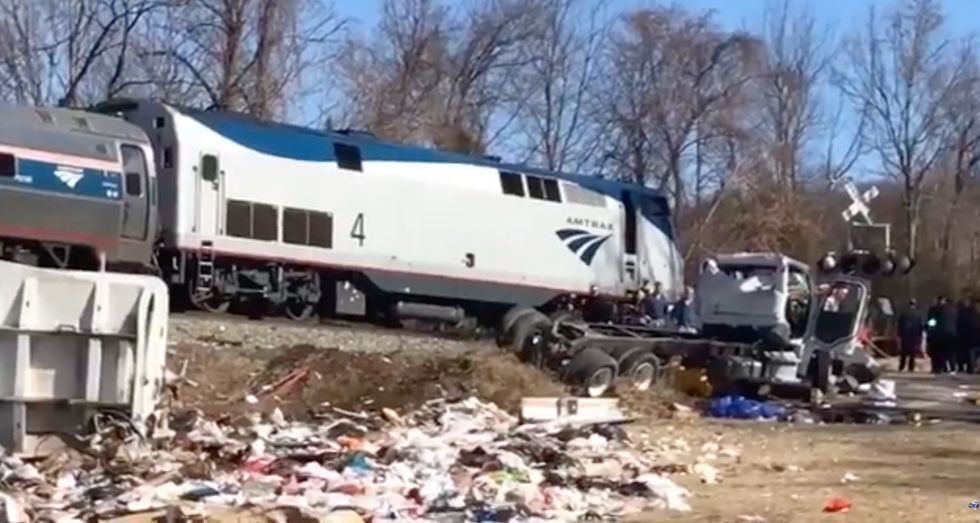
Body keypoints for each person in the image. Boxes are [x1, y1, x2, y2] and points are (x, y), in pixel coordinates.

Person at [926, 296, 957, 375]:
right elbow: (955, 321)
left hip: (939, 334)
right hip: (951, 334)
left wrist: (930, 330)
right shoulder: (953, 310)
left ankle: (939, 368)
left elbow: (932, 322)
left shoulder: (934, 309)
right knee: (950, 352)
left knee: (938, 352)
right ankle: (952, 368)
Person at [896, 298, 925, 372]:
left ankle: (901, 366)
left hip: (905, 335)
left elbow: (900, 325)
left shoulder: (904, 313)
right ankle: (911, 367)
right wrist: (920, 336)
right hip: (914, 335)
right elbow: (921, 326)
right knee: (912, 352)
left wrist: (899, 334)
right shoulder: (918, 314)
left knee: (903, 352)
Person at [957, 298, 977, 373]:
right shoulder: (975, 313)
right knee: (971, 351)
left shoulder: (962, 313)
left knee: (966, 352)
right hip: (973, 335)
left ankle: (965, 367)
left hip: (965, 335)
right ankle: (971, 367)